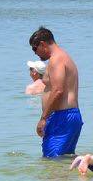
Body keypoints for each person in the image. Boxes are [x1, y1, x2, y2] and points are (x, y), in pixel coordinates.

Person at [29, 26, 82, 158]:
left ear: (43, 44)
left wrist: (43, 118)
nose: (35, 53)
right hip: (69, 116)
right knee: (63, 161)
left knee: (51, 161)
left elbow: (58, 90)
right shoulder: (64, 57)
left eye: (35, 48)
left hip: (62, 117)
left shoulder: (56, 59)